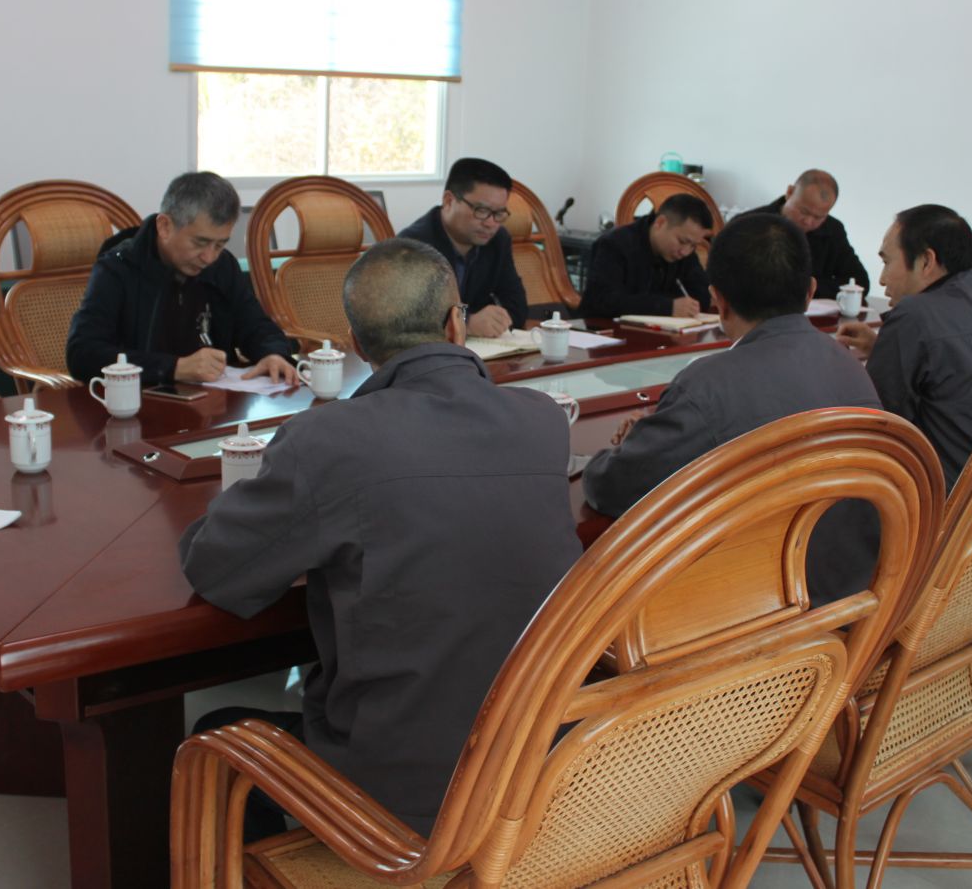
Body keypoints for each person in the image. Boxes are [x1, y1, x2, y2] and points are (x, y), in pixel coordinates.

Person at [179, 237, 580, 838]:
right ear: (456, 324)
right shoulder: (542, 420)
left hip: (399, 805)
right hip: (546, 772)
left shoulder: (328, 439)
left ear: (357, 344)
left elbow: (215, 569)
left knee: (214, 733)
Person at [582, 212, 882, 602]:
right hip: (854, 601)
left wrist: (628, 447)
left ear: (718, 300)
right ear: (810, 291)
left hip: (751, 614)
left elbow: (613, 488)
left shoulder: (707, 385)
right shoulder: (852, 367)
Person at [836, 204, 972, 486]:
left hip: (955, 498)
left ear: (926, 261)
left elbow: (878, 426)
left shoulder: (914, 315)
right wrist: (882, 348)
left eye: (887, 262)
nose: (882, 279)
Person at [65, 172, 295, 387]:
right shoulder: (118, 268)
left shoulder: (222, 266)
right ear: (164, 226)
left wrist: (272, 354)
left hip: (216, 401)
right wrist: (174, 368)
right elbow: (83, 354)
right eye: (200, 243)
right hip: (142, 401)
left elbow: (255, 325)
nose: (209, 257)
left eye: (220, 244)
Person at [398, 157, 529, 338]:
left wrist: (495, 320)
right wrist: (466, 323)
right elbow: (406, 319)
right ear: (449, 201)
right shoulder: (412, 246)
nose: (491, 223)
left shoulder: (498, 240)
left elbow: (517, 308)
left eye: (499, 213)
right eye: (482, 210)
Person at [579, 193, 713, 319]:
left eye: (693, 245)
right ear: (660, 223)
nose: (685, 251)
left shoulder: (684, 253)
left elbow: (702, 296)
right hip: (608, 331)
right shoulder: (615, 245)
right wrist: (666, 306)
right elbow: (601, 301)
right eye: (682, 241)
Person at [753, 168, 870, 299]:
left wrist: (808, 287)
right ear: (790, 192)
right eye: (803, 211)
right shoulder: (750, 223)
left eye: (818, 217)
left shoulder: (832, 230)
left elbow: (859, 282)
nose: (808, 221)